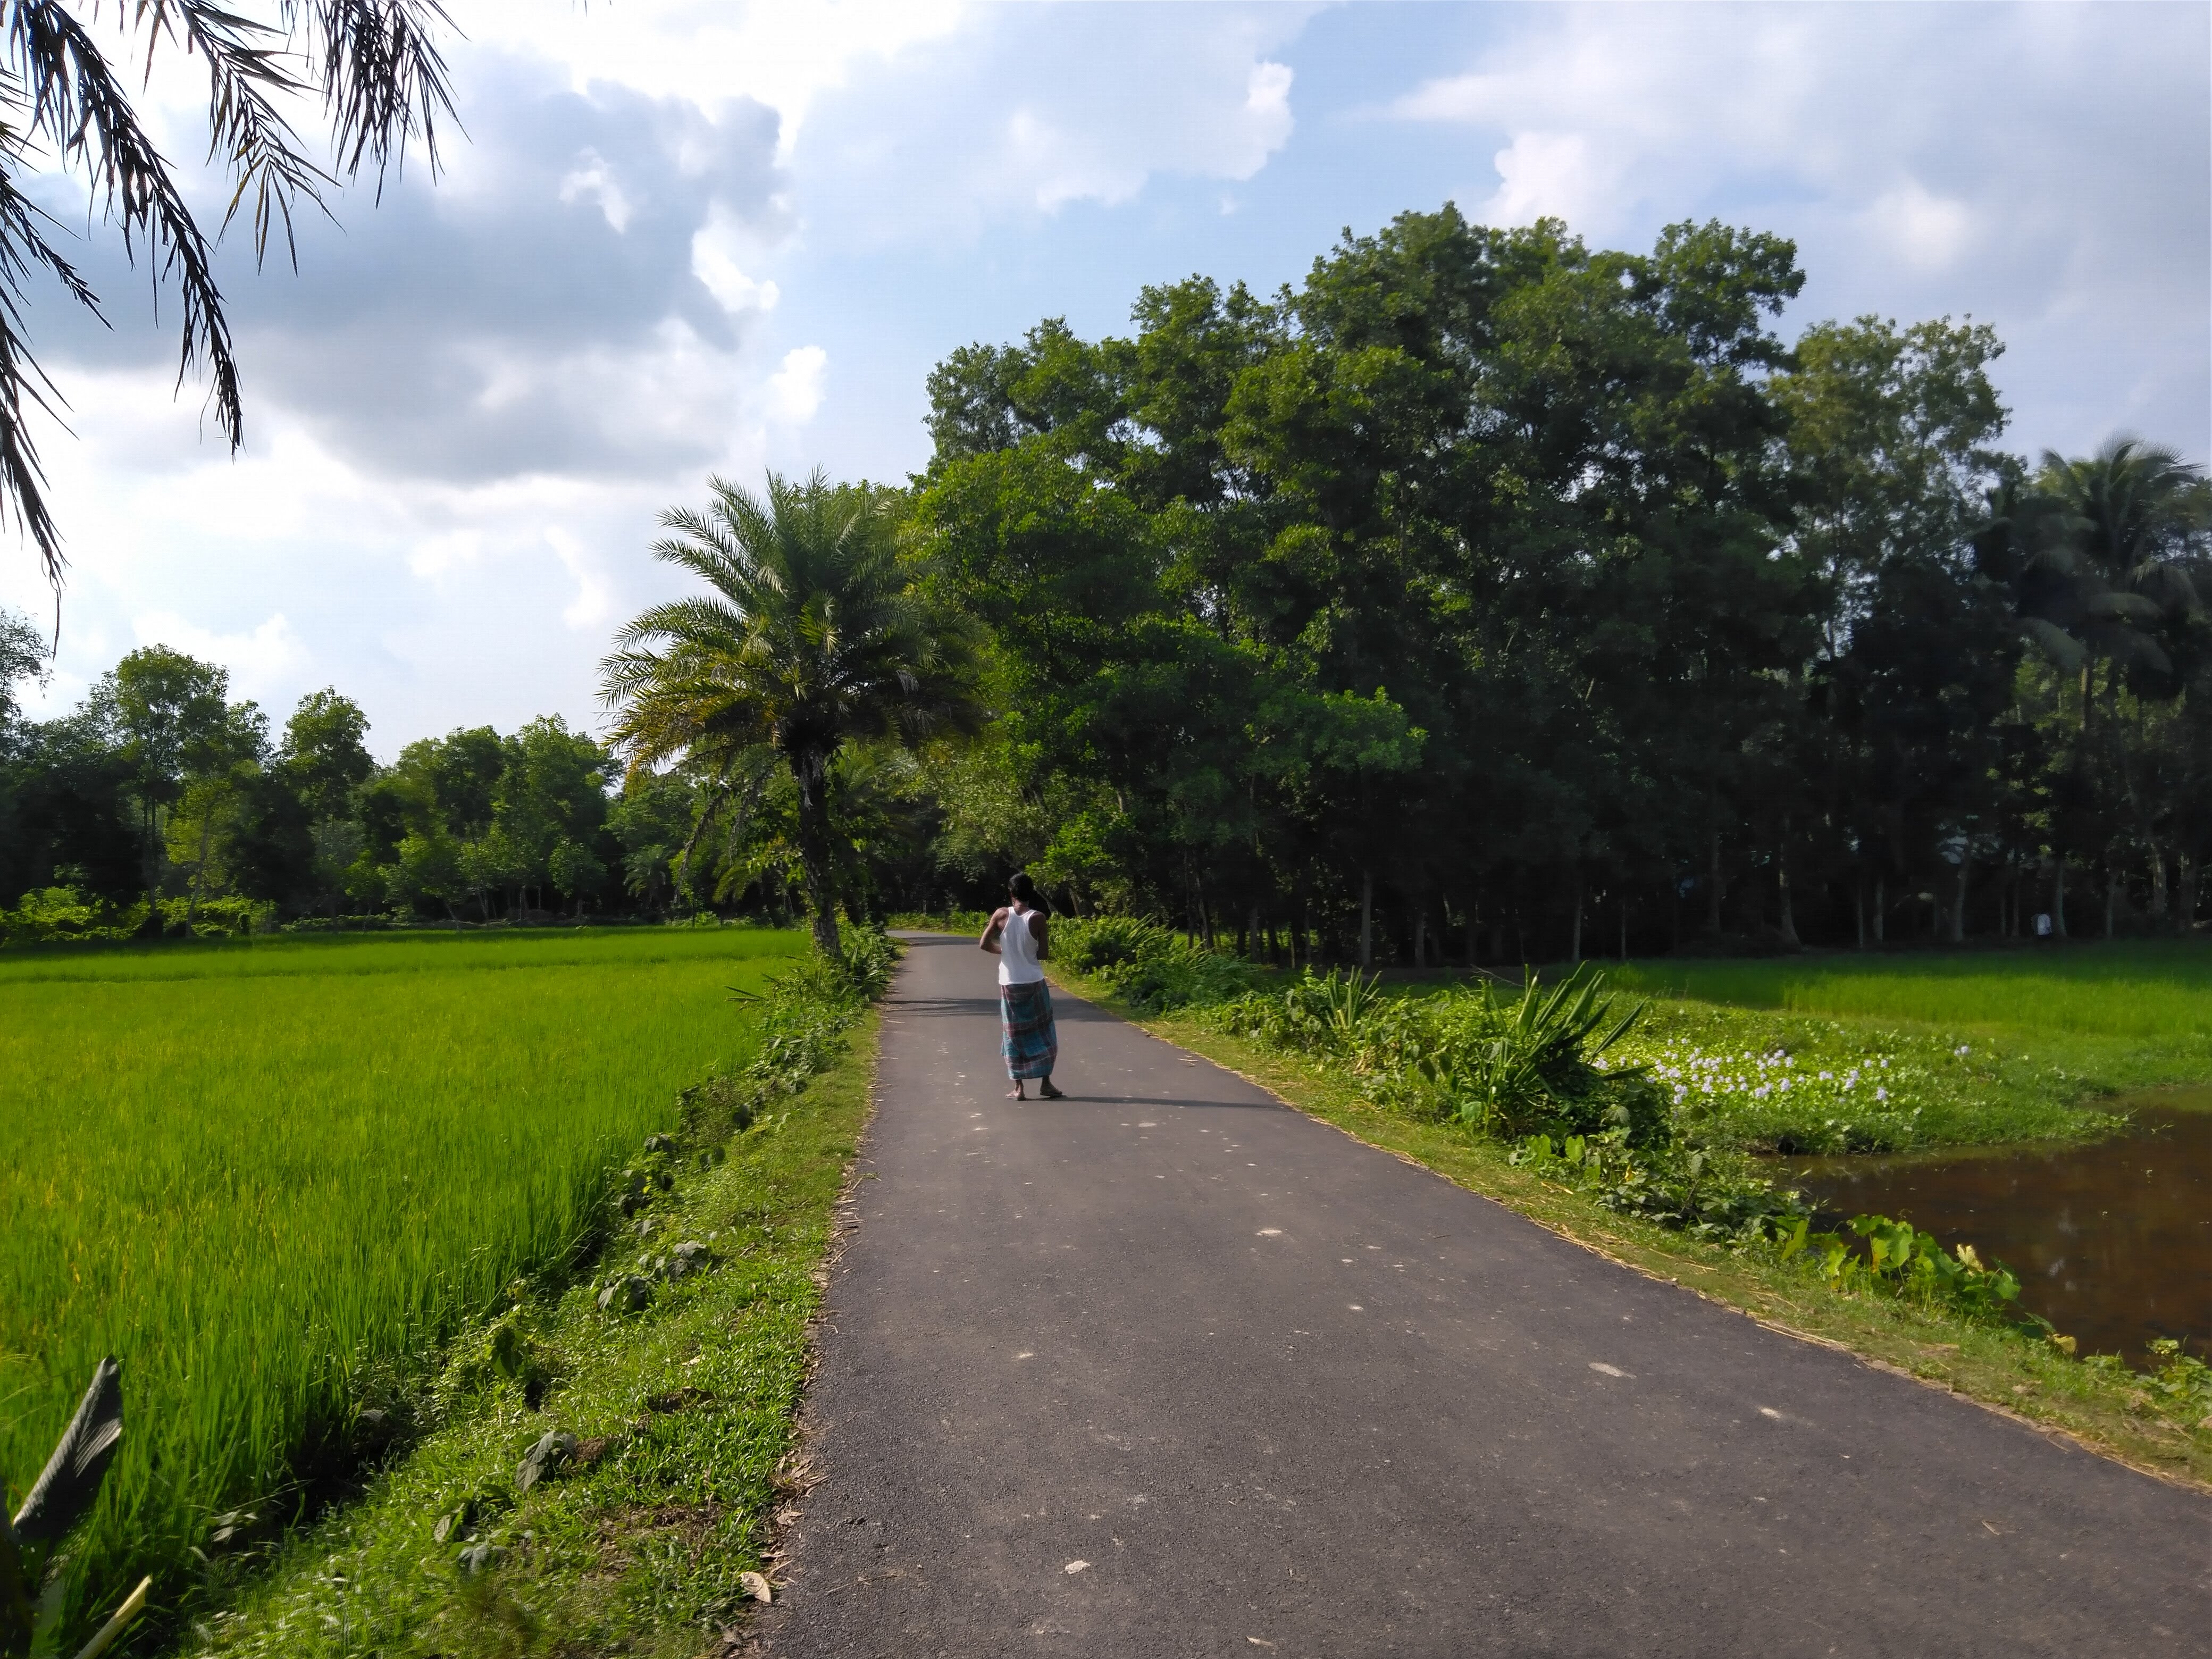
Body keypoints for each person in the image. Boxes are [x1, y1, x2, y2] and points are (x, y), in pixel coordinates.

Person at [981, 873, 1063, 1100]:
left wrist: (1004, 951)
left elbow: (984, 944)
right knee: (1043, 1032)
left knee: (1013, 1034)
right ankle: (1046, 1084)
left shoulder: (1001, 914)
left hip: (1009, 984)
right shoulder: (1038, 918)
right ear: (1032, 894)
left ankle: (1019, 1088)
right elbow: (1044, 954)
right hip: (1034, 982)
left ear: (1011, 893)